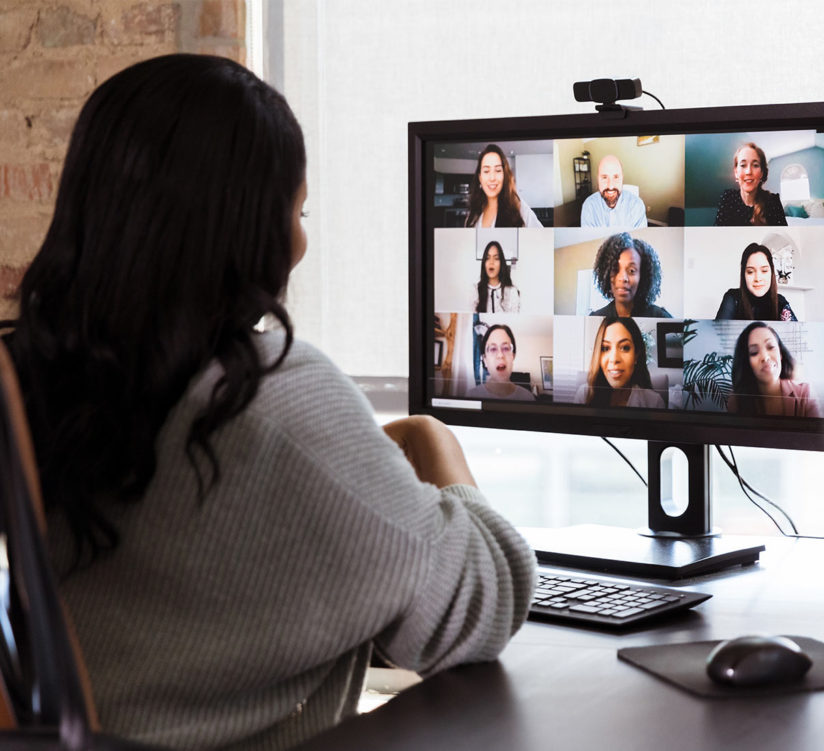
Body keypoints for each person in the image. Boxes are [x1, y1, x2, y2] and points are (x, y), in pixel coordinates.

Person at [0, 54, 535, 751]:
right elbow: (482, 601)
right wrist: (436, 445)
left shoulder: (51, 376)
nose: (302, 241)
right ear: (248, 226)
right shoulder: (272, 395)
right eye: (298, 209)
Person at [728, 322, 821, 417]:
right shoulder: (736, 400)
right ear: (746, 362)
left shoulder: (805, 393)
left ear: (780, 353)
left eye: (771, 347)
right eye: (754, 352)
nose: (765, 357)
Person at [574, 316, 665, 408]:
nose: (614, 359)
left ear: (636, 354)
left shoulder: (654, 402)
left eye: (625, 348)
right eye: (605, 348)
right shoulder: (584, 395)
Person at [589, 232, 671, 318]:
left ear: (642, 276)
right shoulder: (596, 317)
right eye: (615, 269)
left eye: (631, 271)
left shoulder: (661, 317)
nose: (623, 278)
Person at [464, 143, 542, 228]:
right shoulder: (473, 213)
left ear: (504, 175)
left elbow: (543, 238)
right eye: (486, 171)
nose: (492, 178)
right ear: (480, 178)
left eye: (497, 170)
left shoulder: (519, 208)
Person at [715, 242, 797, 321]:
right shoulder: (732, 298)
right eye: (750, 272)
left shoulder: (780, 302)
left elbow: (796, 333)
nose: (758, 278)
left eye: (764, 271)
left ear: (771, 272)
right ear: (743, 275)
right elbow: (717, 333)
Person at [714, 142, 788, 226]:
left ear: (762, 173)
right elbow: (719, 235)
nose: (748, 171)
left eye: (755, 165)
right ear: (736, 172)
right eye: (743, 165)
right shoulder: (728, 198)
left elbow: (781, 237)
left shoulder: (773, 202)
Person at [466, 324, 535, 401]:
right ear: (485, 360)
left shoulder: (528, 398)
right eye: (493, 349)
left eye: (505, 348)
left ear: (513, 356)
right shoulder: (471, 396)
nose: (500, 355)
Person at [580, 154, 647, 228]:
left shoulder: (637, 205)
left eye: (616, 177)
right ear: (598, 179)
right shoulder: (589, 206)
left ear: (622, 178)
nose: (610, 186)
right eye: (604, 177)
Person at [472, 240, 521, 313]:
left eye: (496, 258)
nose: (491, 262)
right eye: (487, 258)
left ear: (501, 263)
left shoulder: (512, 291)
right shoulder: (475, 290)